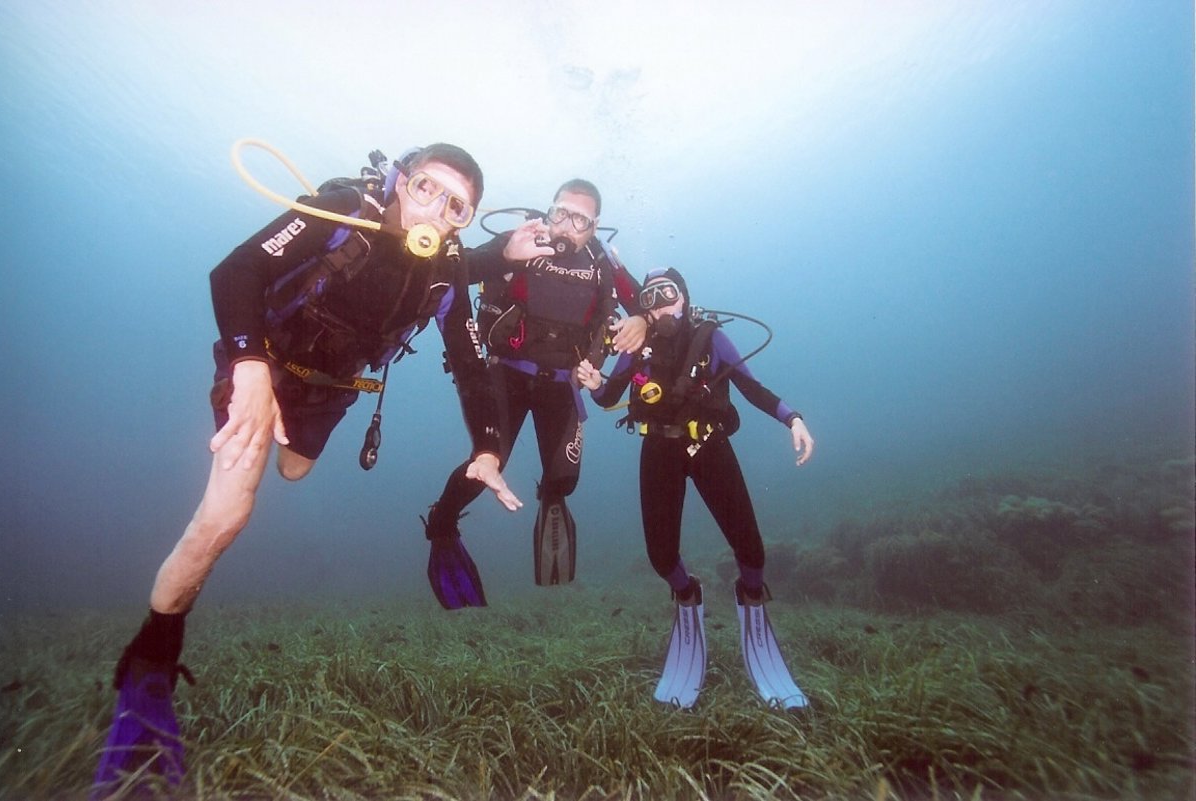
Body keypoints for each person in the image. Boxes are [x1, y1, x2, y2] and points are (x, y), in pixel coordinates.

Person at [91, 143, 525, 796]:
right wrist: (248, 367)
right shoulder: (344, 212)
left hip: (331, 390)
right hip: (261, 369)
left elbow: (469, 363)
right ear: (400, 181)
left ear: (464, 221)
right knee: (227, 513)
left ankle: (278, 436)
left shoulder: (447, 276)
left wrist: (488, 447)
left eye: (456, 206)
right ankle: (148, 667)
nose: (435, 210)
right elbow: (236, 270)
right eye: (426, 188)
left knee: (294, 470)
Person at [576, 267, 815, 709]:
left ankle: (751, 597)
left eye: (668, 294)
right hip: (658, 449)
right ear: (644, 309)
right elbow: (609, 396)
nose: (661, 305)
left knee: (751, 549)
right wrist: (594, 385)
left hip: (708, 444)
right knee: (661, 556)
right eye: (650, 299)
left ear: (683, 297)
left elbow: (751, 387)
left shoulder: (711, 338)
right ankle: (687, 596)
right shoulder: (637, 345)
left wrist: (793, 418)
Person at [423, 179, 648, 608]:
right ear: (548, 210)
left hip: (561, 383)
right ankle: (442, 523)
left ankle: (549, 502)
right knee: (487, 461)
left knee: (564, 481)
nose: (566, 227)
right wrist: (506, 255)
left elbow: (644, 303)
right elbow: (457, 270)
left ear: (595, 226)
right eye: (560, 213)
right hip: (505, 376)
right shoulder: (521, 239)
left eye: (580, 220)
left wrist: (642, 321)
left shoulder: (603, 261)